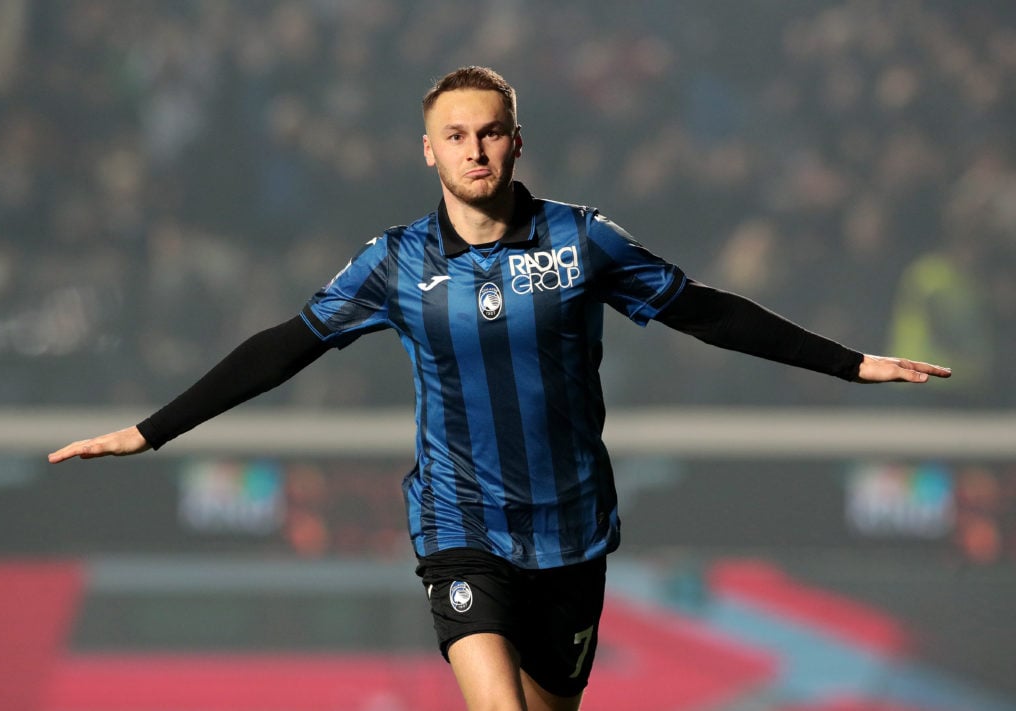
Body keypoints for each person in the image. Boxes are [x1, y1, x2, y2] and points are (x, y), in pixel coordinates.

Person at [49, 66, 951, 711]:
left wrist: (851, 362)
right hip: (461, 525)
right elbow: (286, 345)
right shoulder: (394, 262)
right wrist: (152, 429)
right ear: (428, 152)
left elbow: (702, 309)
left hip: (571, 531)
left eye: (489, 132)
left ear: (516, 141)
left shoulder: (583, 242)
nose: (475, 149)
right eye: (456, 135)